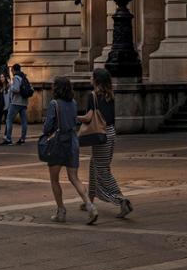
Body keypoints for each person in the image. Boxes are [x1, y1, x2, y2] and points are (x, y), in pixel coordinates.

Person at [80, 66, 132, 219]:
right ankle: (89, 201)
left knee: (102, 171)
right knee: (94, 165)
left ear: (96, 80)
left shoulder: (93, 96)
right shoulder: (110, 95)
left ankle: (121, 200)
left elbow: (89, 117)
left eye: (92, 77)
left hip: (100, 135)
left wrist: (75, 118)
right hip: (110, 133)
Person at [42, 76, 96, 223]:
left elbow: (47, 127)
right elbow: (74, 120)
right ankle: (90, 205)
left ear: (57, 88)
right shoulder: (73, 102)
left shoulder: (54, 104)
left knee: (54, 179)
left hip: (58, 143)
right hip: (72, 141)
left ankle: (61, 211)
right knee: (74, 177)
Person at [2, 62, 30, 145]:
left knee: (9, 119)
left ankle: (8, 138)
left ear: (14, 70)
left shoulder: (16, 77)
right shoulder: (24, 77)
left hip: (16, 102)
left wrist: (11, 85)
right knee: (24, 121)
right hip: (24, 102)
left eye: (12, 70)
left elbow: (16, 89)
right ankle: (22, 139)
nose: (11, 72)